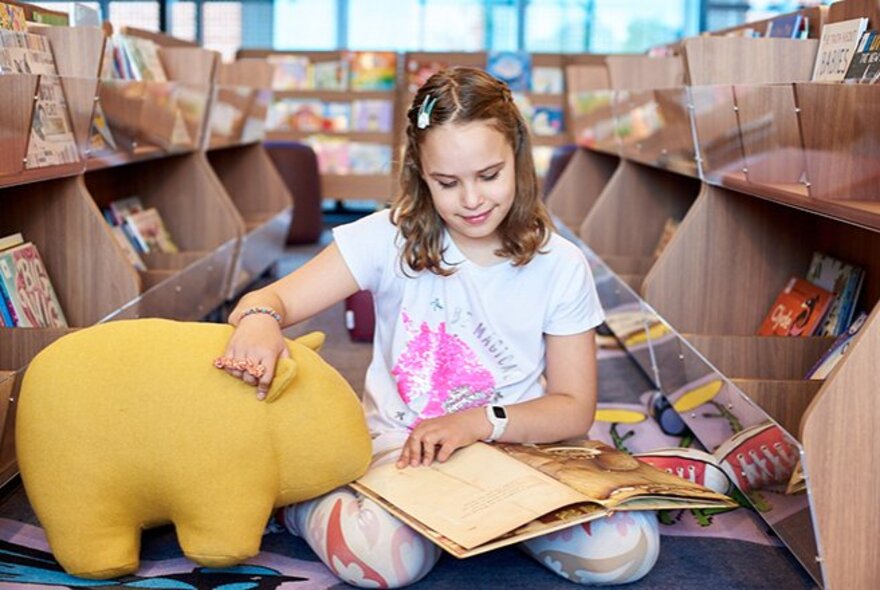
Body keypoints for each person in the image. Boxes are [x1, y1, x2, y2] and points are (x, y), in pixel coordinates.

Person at [217, 66, 659, 588]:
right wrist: (261, 320)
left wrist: (478, 423)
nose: (471, 200)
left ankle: (476, 528)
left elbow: (572, 406)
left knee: (628, 550)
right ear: (420, 174)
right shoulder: (388, 237)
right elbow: (272, 299)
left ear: (518, 158)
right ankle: (300, 507)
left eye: (489, 175)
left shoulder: (560, 264)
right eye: (447, 183)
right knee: (382, 564)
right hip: (405, 448)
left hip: (516, 448)